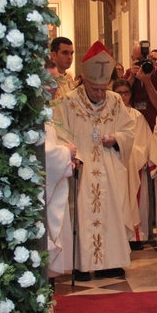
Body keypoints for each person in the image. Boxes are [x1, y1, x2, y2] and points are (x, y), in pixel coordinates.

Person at [52, 41, 136, 281]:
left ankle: (111, 262)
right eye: (94, 88)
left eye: (102, 88)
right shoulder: (66, 102)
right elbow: (59, 133)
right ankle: (81, 264)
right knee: (82, 214)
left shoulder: (115, 101)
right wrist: (72, 155)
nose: (100, 94)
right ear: (84, 81)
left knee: (112, 212)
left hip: (109, 167)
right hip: (82, 167)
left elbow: (130, 130)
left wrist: (116, 139)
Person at [44, 59, 78, 276]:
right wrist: (66, 152)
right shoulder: (35, 115)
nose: (56, 87)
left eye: (56, 81)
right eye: (50, 82)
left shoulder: (45, 111)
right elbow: (42, 153)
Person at [112, 78, 152, 243]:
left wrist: (135, 154)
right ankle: (117, 237)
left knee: (134, 200)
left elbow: (145, 141)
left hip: (134, 166)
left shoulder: (137, 116)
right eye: (119, 92)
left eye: (126, 92)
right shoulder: (108, 115)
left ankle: (136, 236)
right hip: (114, 164)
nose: (122, 96)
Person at [126, 43, 157, 131]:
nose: (142, 63)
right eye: (139, 60)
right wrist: (131, 77)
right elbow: (120, 99)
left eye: (145, 59)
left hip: (156, 126)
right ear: (132, 58)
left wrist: (147, 82)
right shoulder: (130, 73)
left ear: (151, 58)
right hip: (134, 126)